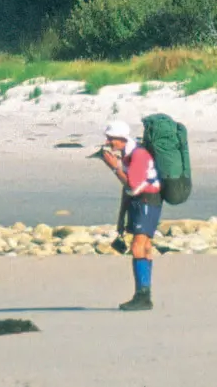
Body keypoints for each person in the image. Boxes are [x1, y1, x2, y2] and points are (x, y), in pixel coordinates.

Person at [97, 118, 160, 310]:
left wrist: (114, 166)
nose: (108, 143)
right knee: (145, 246)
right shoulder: (127, 154)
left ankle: (142, 296)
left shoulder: (138, 155)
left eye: (111, 139)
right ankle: (144, 294)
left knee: (138, 247)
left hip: (147, 201)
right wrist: (121, 219)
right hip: (140, 202)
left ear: (122, 138)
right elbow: (128, 189)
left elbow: (134, 186)